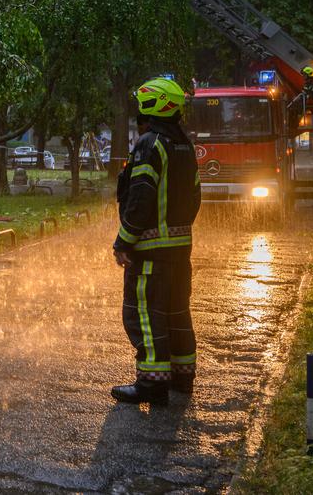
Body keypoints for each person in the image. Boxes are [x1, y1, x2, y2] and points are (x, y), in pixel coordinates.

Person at [111, 78, 201, 405]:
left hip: (150, 253)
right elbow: (194, 198)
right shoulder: (183, 145)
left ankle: (151, 383)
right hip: (180, 251)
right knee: (178, 312)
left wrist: (123, 241)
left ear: (152, 105)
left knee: (145, 315)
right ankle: (182, 377)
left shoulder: (151, 144)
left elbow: (140, 198)